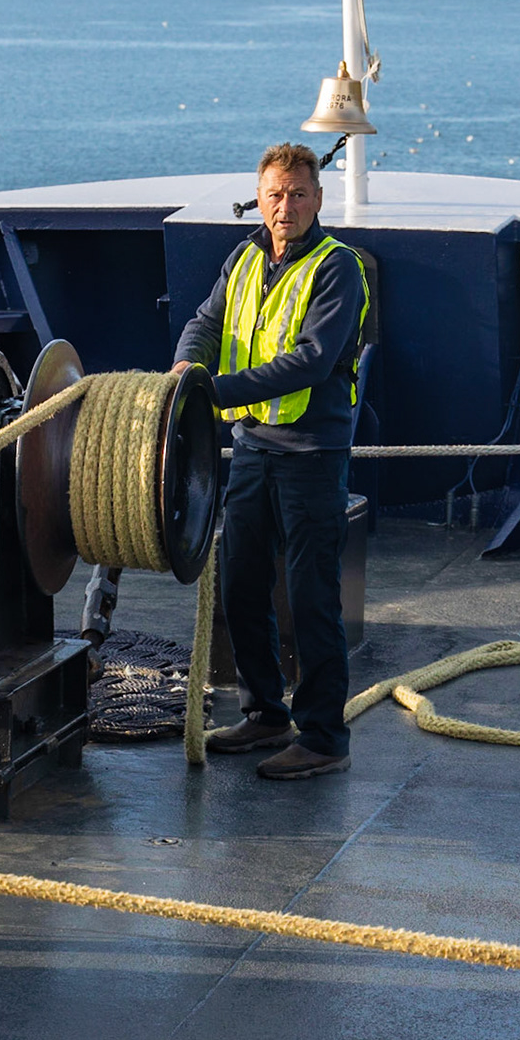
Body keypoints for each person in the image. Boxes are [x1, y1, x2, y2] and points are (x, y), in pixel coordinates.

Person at [172, 142, 369, 780]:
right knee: (240, 583)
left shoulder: (338, 268)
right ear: (259, 199)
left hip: (312, 453)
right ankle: (264, 714)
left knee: (312, 597)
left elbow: (312, 360)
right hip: (253, 446)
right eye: (275, 195)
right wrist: (187, 365)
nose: (286, 207)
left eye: (299, 195)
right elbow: (207, 322)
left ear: (319, 199)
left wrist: (215, 392)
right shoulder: (244, 257)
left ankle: (324, 738)